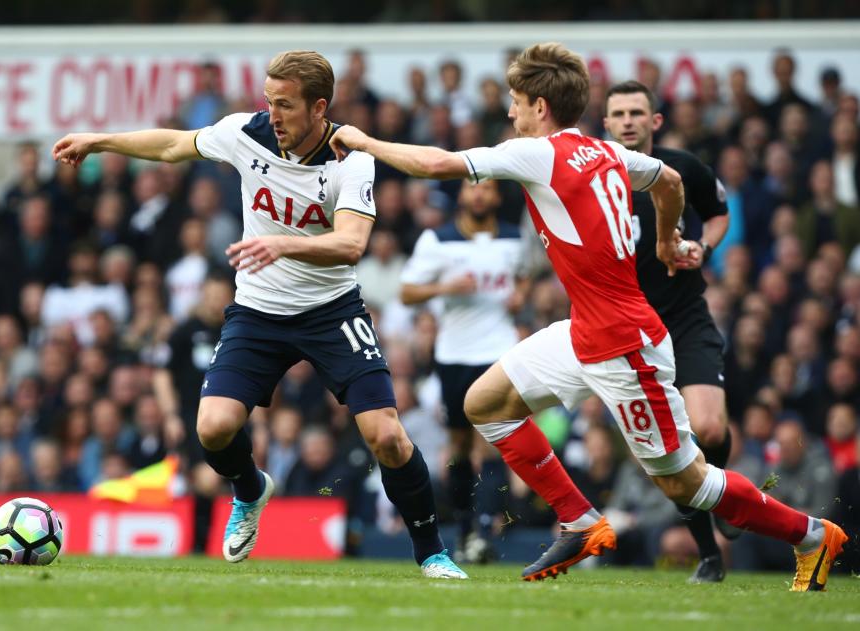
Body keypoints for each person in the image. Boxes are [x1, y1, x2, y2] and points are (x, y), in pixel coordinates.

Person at [331, 42, 848, 591]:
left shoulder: (538, 152)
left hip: (625, 347)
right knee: (483, 403)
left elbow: (437, 163)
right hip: (586, 332)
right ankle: (579, 520)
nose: (509, 113)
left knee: (688, 485)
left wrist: (362, 140)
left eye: (514, 102)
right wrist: (670, 239)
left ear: (539, 105)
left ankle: (813, 535)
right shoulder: (608, 153)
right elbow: (670, 182)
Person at [53, 50, 466, 579]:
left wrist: (283, 246)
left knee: (386, 435)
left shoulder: (351, 158)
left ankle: (431, 552)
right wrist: (100, 139)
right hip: (258, 312)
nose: (273, 115)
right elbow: (175, 144)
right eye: (269, 102)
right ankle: (249, 490)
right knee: (214, 428)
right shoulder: (246, 134)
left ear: (319, 108)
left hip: (330, 310)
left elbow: (351, 244)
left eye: (286, 105)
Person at [602, 80, 731, 583]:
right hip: (630, 329)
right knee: (673, 455)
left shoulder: (684, 169)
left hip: (683, 317)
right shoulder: (596, 177)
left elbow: (719, 214)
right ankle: (709, 554)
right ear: (607, 124)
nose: (629, 120)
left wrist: (703, 247)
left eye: (638, 112)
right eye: (619, 113)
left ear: (655, 121)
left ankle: (723, 495)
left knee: (711, 432)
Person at [399, 177, 527, 561]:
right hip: (454, 353)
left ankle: (486, 529)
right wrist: (445, 288)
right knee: (458, 447)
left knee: (492, 441)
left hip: (498, 351)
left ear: (497, 196)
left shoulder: (514, 238)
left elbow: (526, 275)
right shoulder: (437, 240)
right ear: (462, 196)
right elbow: (407, 292)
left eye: (487, 188)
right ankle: (466, 530)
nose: (480, 194)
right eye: (473, 187)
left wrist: (521, 292)